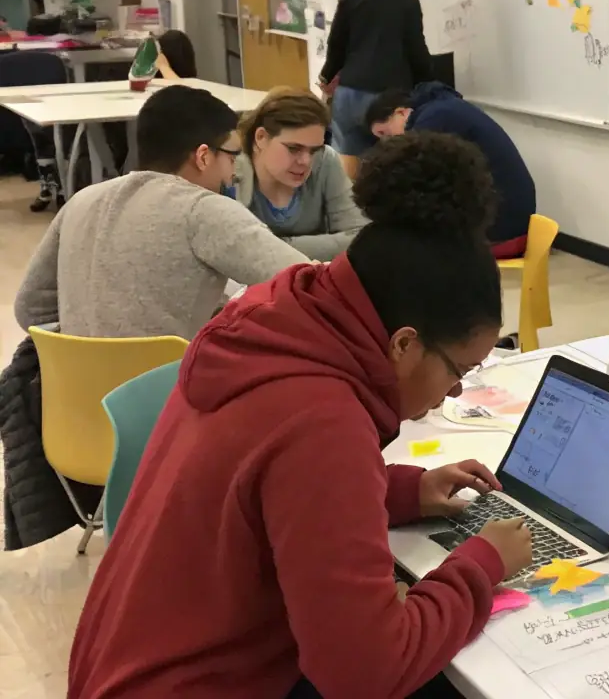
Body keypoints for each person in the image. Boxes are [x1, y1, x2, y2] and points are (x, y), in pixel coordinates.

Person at [67, 133, 534, 699]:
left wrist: (404, 492)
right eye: (459, 369)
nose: (456, 390)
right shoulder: (323, 419)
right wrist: (481, 565)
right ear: (405, 344)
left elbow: (266, 491)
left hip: (130, 665)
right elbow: (365, 672)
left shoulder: (278, 312)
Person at [14, 85, 308, 341]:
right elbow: (314, 290)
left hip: (73, 386)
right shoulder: (204, 210)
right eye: (232, 157)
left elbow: (29, 310)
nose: (235, 174)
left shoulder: (80, 201)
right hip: (169, 386)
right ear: (203, 156)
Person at [367, 84, 536, 258]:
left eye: (385, 133)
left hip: (502, 228)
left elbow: (411, 181)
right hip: (515, 218)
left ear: (401, 113)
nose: (387, 142)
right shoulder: (443, 108)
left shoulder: (432, 121)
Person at [319, 0, 435, 177]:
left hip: (351, 91)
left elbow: (337, 41)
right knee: (391, 165)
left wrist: (326, 75)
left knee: (348, 164)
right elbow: (416, 48)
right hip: (390, 96)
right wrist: (430, 86)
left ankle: (349, 203)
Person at [233, 88, 366, 261]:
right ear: (261, 138)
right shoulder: (231, 169)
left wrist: (271, 246)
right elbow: (231, 252)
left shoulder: (324, 160)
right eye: (293, 148)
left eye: (314, 150)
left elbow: (360, 237)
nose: (305, 161)